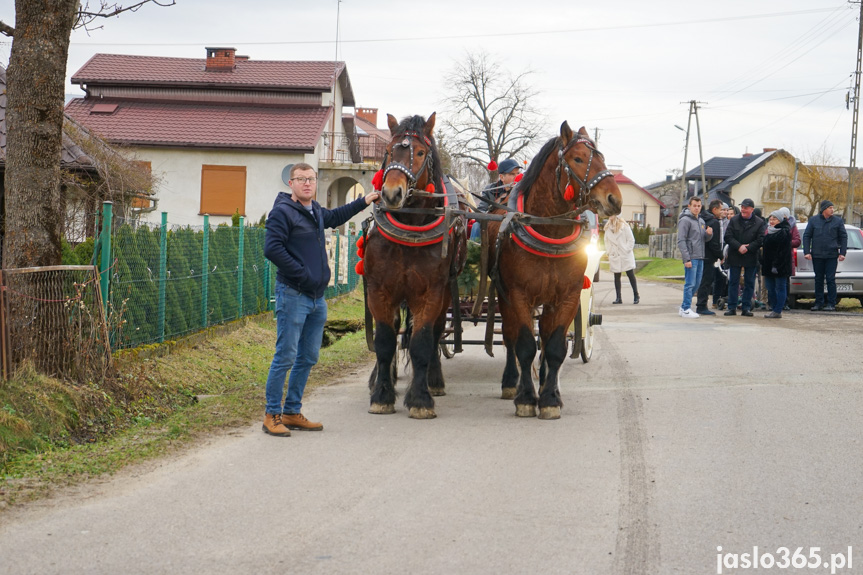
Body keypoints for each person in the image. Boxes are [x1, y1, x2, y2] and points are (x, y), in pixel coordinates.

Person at [262, 163, 380, 437]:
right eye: (301, 179)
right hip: (292, 294)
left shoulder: (314, 211)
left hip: (317, 299)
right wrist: (302, 272)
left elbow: (335, 216)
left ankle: (292, 411)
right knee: (286, 355)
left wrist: (365, 199)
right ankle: (272, 414)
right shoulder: (282, 212)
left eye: (311, 179)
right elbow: (272, 248)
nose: (307, 184)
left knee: (309, 356)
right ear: (290, 183)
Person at [802, 199, 847, 312]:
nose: (832, 209)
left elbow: (843, 237)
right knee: (818, 279)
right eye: (830, 208)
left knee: (831, 279)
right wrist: (807, 251)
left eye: (832, 208)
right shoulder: (813, 220)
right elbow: (807, 236)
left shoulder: (838, 221)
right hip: (817, 255)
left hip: (831, 255)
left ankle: (831, 303)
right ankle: (819, 303)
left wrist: (842, 252)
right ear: (823, 209)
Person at [723, 198, 766, 317]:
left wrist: (748, 247)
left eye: (746, 208)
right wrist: (739, 246)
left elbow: (761, 239)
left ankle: (746, 307)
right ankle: (731, 307)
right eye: (742, 207)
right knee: (733, 282)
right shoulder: (734, 220)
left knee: (749, 282)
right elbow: (728, 237)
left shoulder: (759, 222)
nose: (743, 210)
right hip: (735, 254)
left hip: (751, 256)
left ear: (751, 209)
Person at [677, 196, 712, 318]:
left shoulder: (701, 221)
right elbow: (681, 240)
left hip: (700, 256)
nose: (697, 208)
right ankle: (686, 308)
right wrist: (686, 259)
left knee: (697, 284)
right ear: (689, 206)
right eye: (694, 206)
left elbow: (703, 239)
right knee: (690, 283)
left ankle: (683, 307)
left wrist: (708, 235)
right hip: (691, 257)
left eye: (698, 206)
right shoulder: (685, 220)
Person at [760, 210, 793, 318]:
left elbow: (783, 252)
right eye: (770, 219)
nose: (772, 221)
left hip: (779, 266)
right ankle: (773, 308)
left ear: (780, 220)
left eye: (774, 219)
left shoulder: (784, 232)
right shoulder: (769, 231)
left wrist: (776, 265)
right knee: (770, 287)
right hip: (768, 265)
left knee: (780, 287)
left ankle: (778, 310)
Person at [695, 199, 724, 315]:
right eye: (721, 209)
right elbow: (714, 243)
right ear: (714, 209)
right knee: (706, 282)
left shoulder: (701, 219)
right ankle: (702, 306)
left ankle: (700, 304)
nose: (722, 212)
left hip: (699, 254)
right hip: (709, 256)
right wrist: (720, 255)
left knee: (700, 281)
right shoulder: (714, 222)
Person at [604, 215, 640, 304]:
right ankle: (618, 298)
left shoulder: (624, 226)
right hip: (615, 254)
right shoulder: (608, 228)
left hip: (625, 254)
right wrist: (609, 251)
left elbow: (631, 240)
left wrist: (626, 249)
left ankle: (636, 295)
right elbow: (606, 241)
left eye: (612, 214)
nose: (610, 216)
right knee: (616, 276)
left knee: (630, 274)